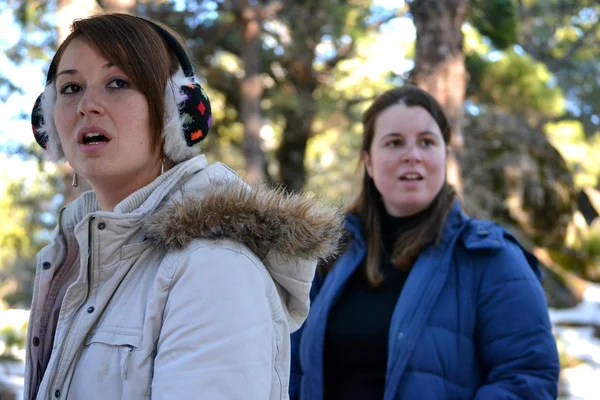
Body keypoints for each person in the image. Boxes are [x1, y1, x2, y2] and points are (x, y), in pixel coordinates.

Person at [25, 13, 344, 400]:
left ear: (178, 113)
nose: (86, 106)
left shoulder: (213, 268)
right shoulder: (74, 262)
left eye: (118, 83)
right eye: (71, 87)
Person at [289, 86, 560, 399]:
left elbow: (528, 378)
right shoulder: (327, 255)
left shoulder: (492, 257)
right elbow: (291, 369)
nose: (412, 155)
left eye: (427, 142)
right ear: (368, 162)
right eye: (394, 142)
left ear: (444, 156)